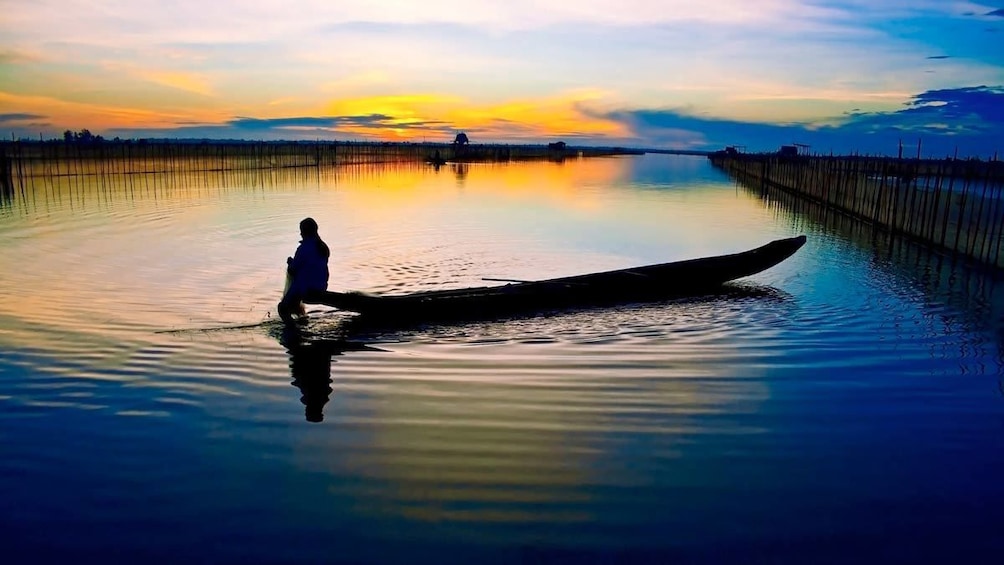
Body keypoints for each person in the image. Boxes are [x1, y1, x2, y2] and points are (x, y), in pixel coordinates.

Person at [278, 217, 330, 323]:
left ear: (304, 232)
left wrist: (290, 262)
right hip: (321, 286)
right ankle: (303, 321)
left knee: (282, 308)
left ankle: (293, 329)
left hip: (306, 288)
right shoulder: (323, 247)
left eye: (301, 231)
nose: (300, 234)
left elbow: (293, 270)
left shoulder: (303, 248)